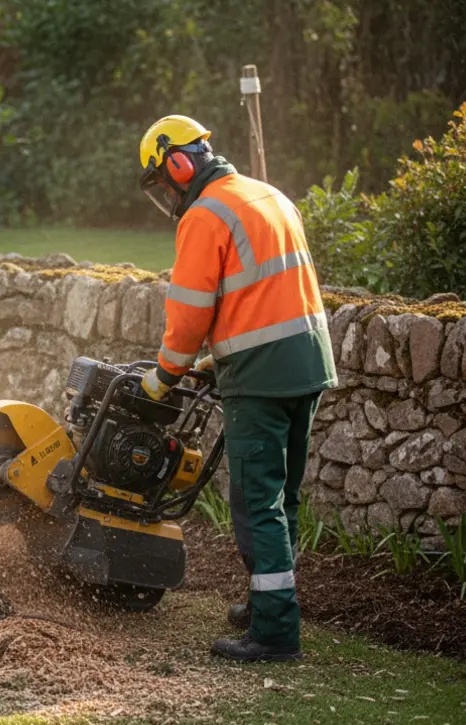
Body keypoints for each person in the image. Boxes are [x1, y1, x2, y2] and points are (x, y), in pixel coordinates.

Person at [135, 115, 338, 662]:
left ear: (179, 163)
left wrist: (165, 376)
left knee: (255, 503)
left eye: (162, 179)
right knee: (283, 497)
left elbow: (190, 312)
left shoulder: (205, 215)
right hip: (308, 363)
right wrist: (215, 357)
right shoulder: (270, 196)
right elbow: (264, 295)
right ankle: (268, 604)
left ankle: (273, 635)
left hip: (261, 379)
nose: (166, 192)